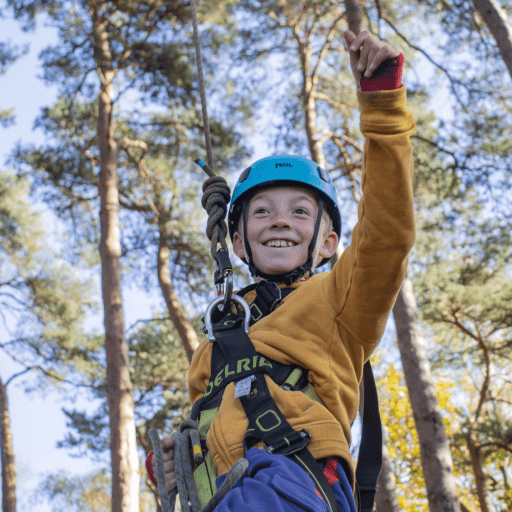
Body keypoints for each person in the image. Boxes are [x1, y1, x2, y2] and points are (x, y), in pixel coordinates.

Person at [146, 29, 416, 512]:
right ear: (237, 241)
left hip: (293, 474)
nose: (279, 222)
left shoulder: (340, 302)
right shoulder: (218, 335)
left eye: (299, 213)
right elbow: (205, 425)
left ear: (328, 244)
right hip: (222, 493)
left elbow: (387, 233)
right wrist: (174, 463)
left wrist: (382, 106)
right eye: (262, 212)